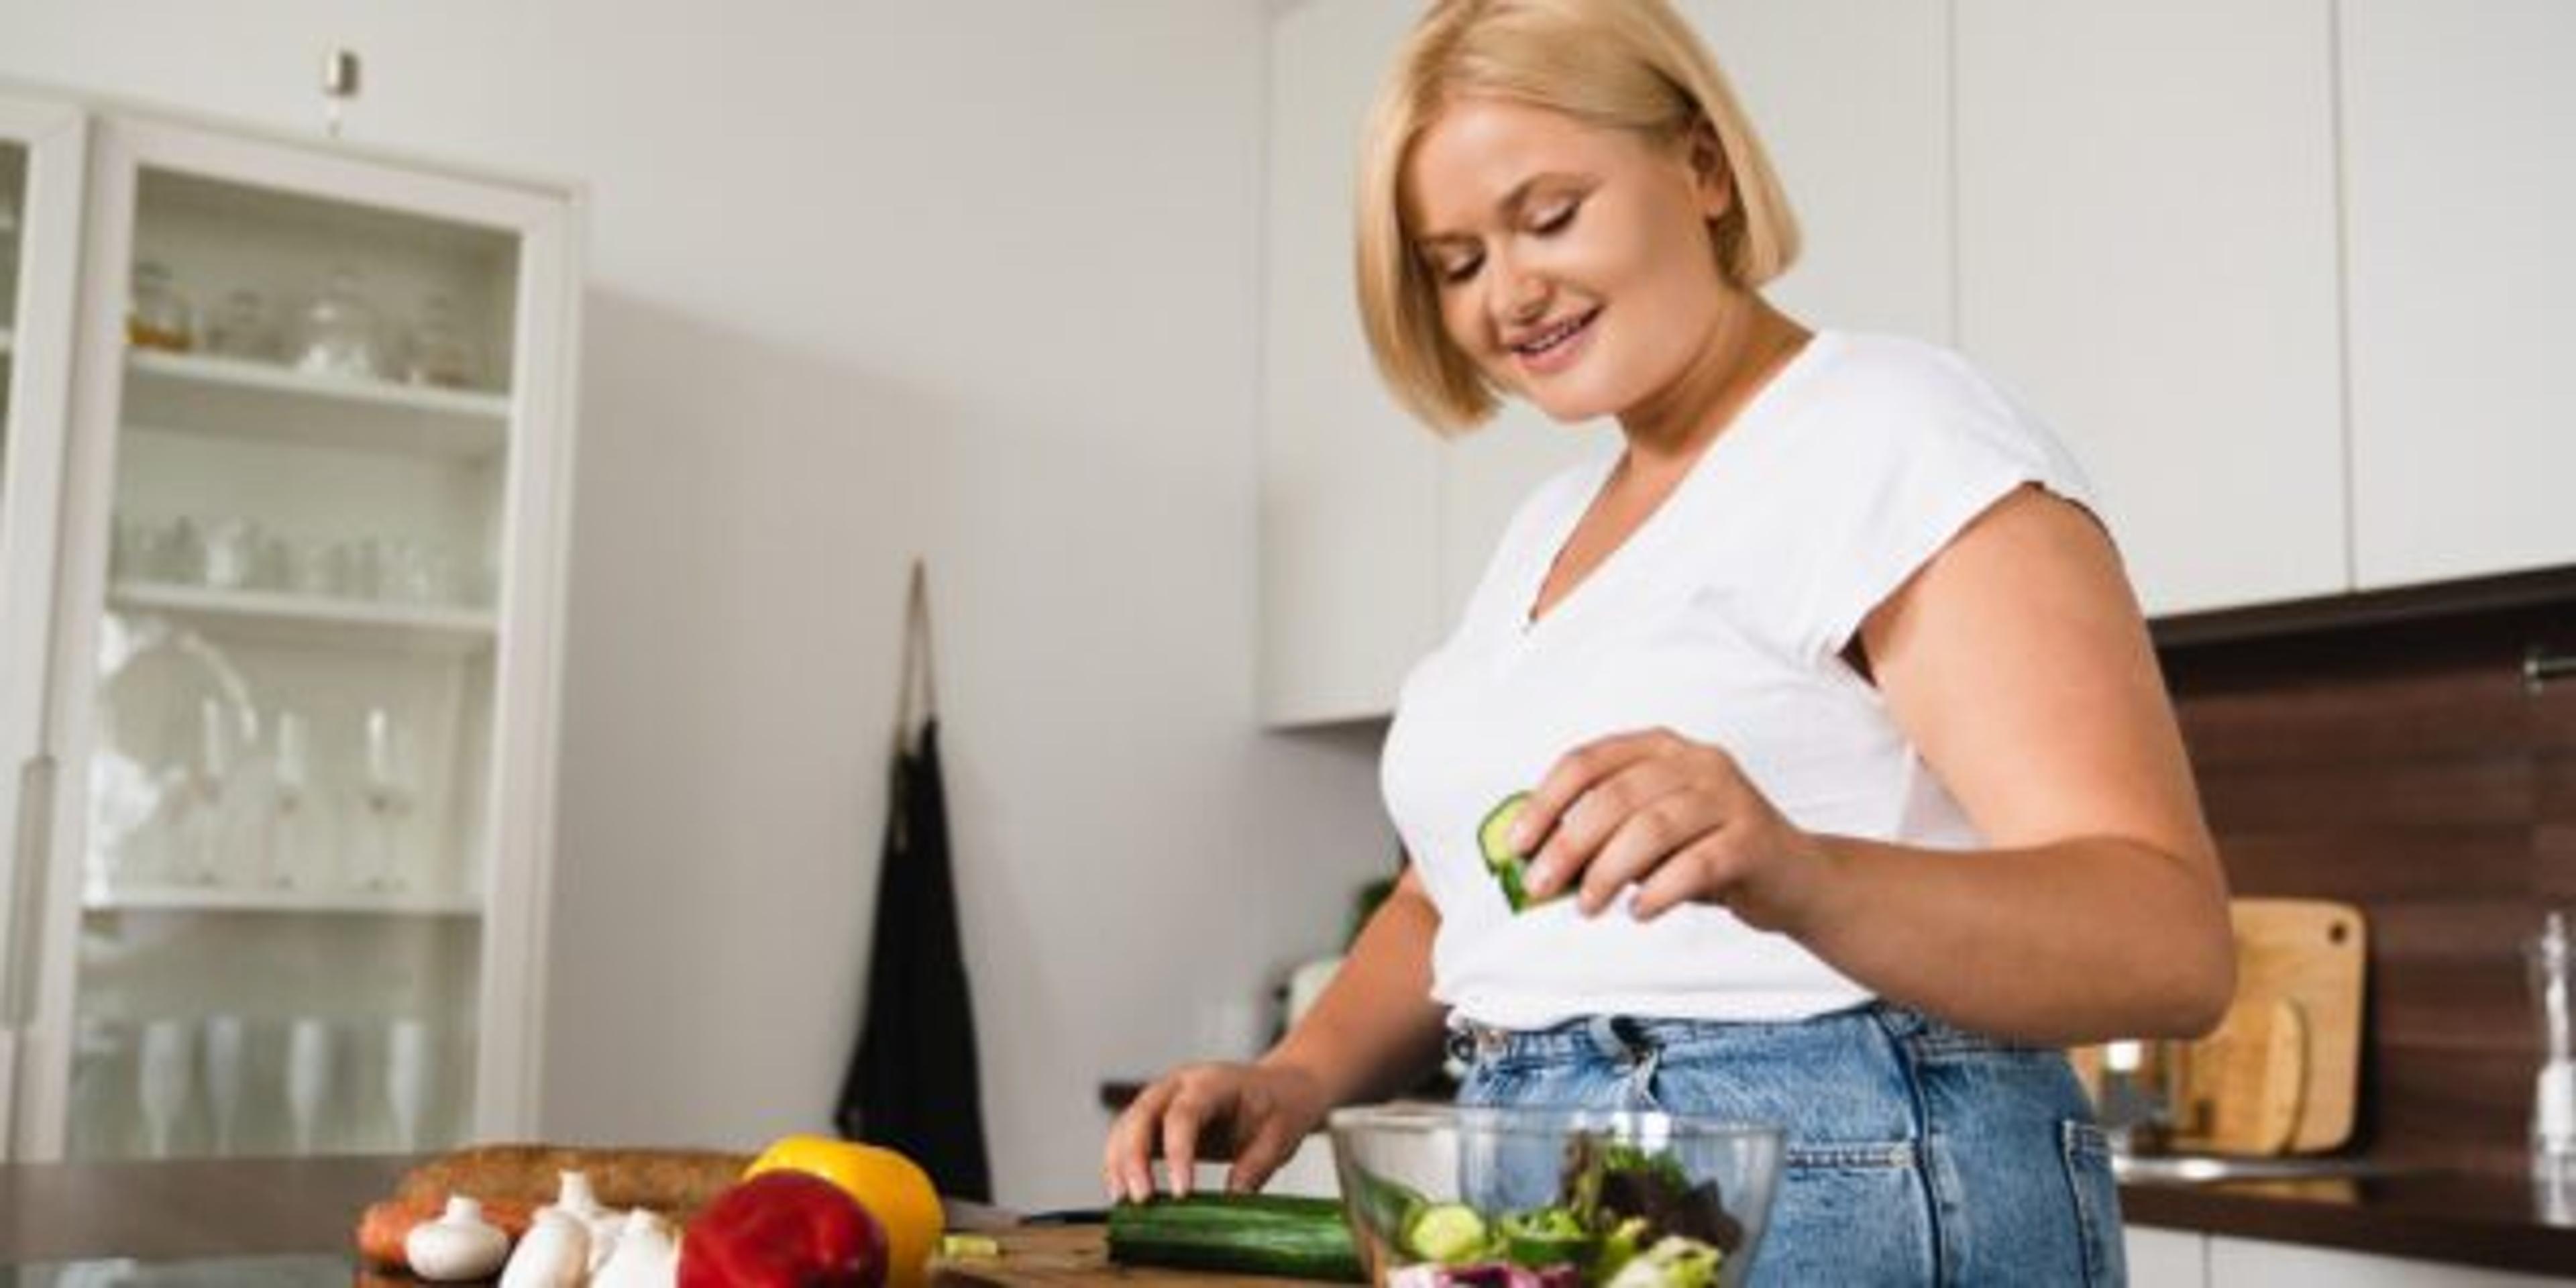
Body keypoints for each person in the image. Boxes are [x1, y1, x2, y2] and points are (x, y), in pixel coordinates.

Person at [1105, 0, 2233, 1281]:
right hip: (1544, 1178)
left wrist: (1796, 869)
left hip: (1838, 1173)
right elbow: (1453, 897)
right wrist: (1296, 1077)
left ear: (1701, 167)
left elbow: (2167, 939)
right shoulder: (1547, 529)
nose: (1509, 294)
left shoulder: (1896, 437)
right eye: (1455, 261)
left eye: (1549, 215)